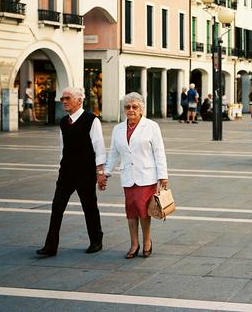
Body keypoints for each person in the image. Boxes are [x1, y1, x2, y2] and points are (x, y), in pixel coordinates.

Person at [37, 87, 106, 257]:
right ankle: (51, 246)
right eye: (63, 99)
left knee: (89, 207)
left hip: (86, 172)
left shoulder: (91, 120)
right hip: (66, 172)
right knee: (57, 206)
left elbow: (99, 147)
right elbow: (63, 147)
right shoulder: (63, 122)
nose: (64, 102)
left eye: (67, 98)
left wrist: (100, 172)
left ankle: (96, 240)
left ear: (79, 100)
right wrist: (61, 165)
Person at [98, 92, 168, 259]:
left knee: (143, 210)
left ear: (141, 108)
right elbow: (114, 153)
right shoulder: (118, 128)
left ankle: (147, 241)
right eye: (127, 107)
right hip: (128, 176)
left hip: (147, 175)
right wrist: (105, 173)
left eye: (134, 107)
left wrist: (163, 176)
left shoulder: (151, 126)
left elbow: (159, 152)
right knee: (131, 211)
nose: (131, 110)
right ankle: (134, 243)